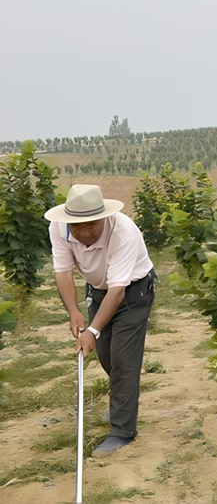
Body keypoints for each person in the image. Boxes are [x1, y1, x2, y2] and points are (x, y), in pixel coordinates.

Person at [45, 184, 156, 457]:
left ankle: (122, 431)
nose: (83, 233)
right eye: (76, 226)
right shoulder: (59, 228)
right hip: (98, 292)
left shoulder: (124, 231)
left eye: (91, 226)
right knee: (106, 355)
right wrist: (74, 312)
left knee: (123, 361)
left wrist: (92, 330)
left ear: (104, 219)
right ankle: (123, 403)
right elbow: (63, 273)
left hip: (133, 292)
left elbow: (118, 289)